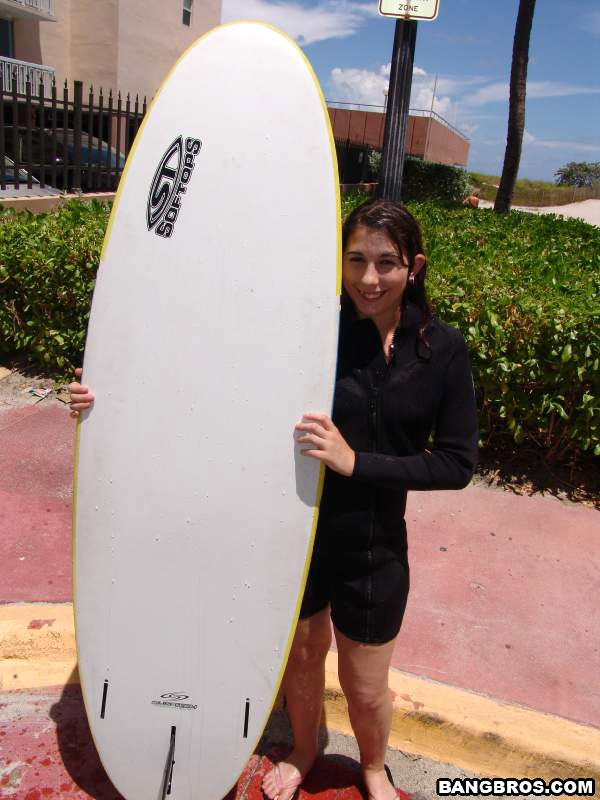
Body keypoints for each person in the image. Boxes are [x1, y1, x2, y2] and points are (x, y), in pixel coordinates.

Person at [68, 199, 478, 800]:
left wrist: (356, 462)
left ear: (413, 266)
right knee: (303, 659)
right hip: (293, 530)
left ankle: (372, 766)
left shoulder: (440, 350)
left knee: (366, 684)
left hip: (373, 545)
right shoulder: (313, 332)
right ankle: (305, 749)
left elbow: (457, 462)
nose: (368, 279)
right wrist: (107, 393)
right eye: (356, 260)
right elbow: (211, 374)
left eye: (386, 263)